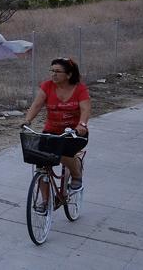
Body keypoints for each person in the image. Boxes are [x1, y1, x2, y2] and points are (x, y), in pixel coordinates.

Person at [22, 57, 91, 192]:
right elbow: (37, 105)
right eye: (52, 70)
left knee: (63, 153)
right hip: (51, 131)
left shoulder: (80, 89)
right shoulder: (47, 86)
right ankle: (44, 201)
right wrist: (27, 120)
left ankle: (76, 175)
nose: (53, 74)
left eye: (58, 71)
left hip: (73, 133)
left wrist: (81, 125)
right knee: (40, 161)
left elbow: (85, 109)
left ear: (69, 74)